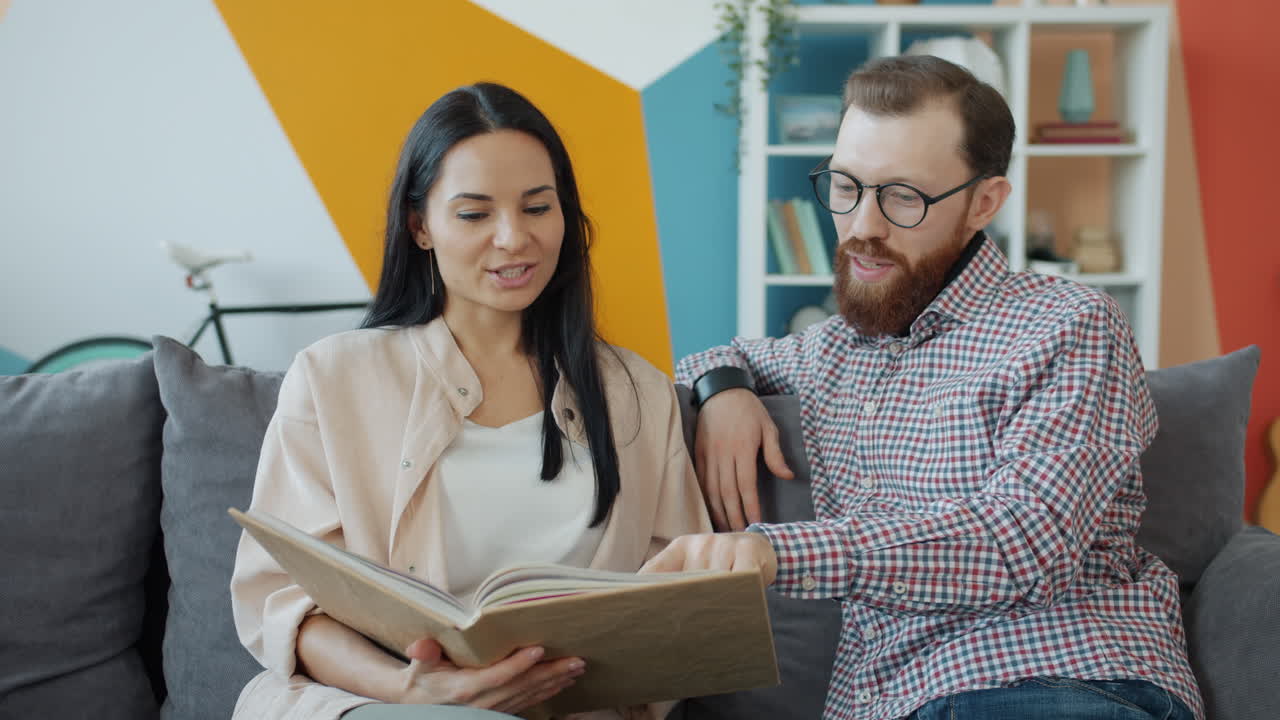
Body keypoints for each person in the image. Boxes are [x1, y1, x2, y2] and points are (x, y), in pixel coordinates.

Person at [643, 56, 1203, 720]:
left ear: (984, 202)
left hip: (1059, 680)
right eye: (846, 186)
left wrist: (769, 551)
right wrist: (725, 388)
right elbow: (712, 355)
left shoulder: (1070, 324)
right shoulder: (831, 351)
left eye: (904, 197)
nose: (862, 227)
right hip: (891, 703)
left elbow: (1019, 544)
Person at [230, 82, 711, 720]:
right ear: (419, 225)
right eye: (474, 214)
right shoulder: (331, 377)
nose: (514, 239)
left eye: (537, 207)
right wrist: (417, 690)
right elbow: (283, 599)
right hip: (373, 703)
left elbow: (681, 604)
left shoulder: (638, 394)